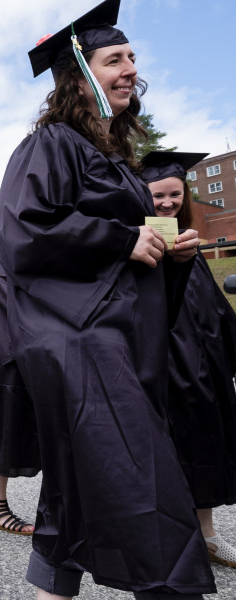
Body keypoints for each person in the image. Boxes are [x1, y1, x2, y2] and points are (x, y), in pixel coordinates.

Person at [0, 1, 215, 597]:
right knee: (145, 487)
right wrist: (123, 236)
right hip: (80, 341)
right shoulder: (50, 145)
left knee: (71, 492)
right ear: (80, 74)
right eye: (113, 58)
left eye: (132, 57)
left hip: (112, 338)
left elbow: (128, 263)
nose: (130, 68)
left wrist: (171, 257)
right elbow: (23, 235)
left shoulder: (117, 164)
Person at [141, 150, 236, 570]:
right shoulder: (138, 244)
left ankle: (209, 536)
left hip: (204, 367)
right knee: (167, 453)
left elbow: (213, 308)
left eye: (174, 195)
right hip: (163, 366)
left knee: (207, 446)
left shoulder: (189, 242)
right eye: (158, 196)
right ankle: (169, 541)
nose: (166, 203)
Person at [0, 191, 40, 535]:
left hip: (32, 354)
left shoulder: (27, 253)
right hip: (9, 359)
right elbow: (4, 315)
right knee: (5, 431)